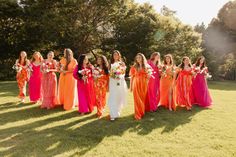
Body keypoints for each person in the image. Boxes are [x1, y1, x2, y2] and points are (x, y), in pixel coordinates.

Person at [129, 53, 151, 120]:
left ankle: (142, 111)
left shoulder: (146, 66)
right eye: (137, 57)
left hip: (144, 84)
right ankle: (138, 113)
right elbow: (132, 77)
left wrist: (148, 76)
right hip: (136, 83)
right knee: (137, 98)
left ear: (142, 58)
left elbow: (149, 76)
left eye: (140, 57)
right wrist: (130, 87)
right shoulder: (134, 67)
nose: (138, 59)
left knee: (142, 98)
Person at [108, 50, 128, 121]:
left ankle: (117, 111)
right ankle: (112, 114)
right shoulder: (110, 63)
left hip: (120, 81)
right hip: (113, 81)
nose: (115, 56)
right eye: (114, 55)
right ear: (112, 56)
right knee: (113, 96)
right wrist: (113, 76)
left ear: (119, 55)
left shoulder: (122, 63)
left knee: (119, 96)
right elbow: (109, 72)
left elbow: (124, 73)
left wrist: (119, 76)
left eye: (117, 54)